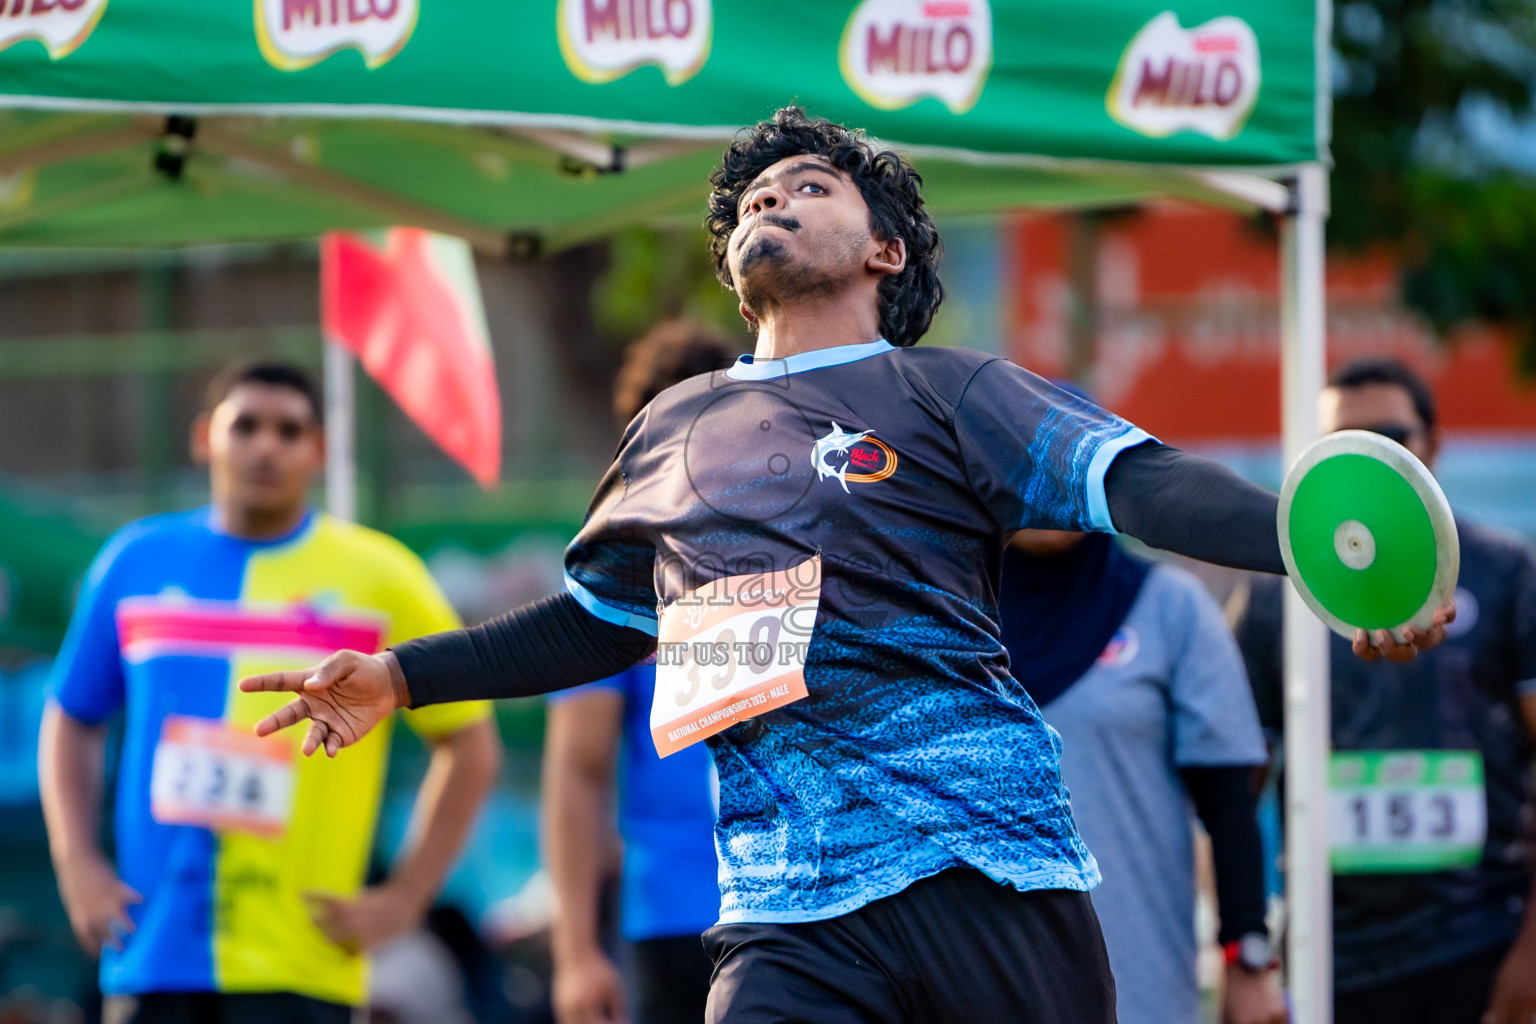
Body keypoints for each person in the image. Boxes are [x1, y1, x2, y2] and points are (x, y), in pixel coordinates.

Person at [241, 110, 1449, 1024]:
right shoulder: (671, 428)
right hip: (785, 908)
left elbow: (1138, 484)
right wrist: (405, 677)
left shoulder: (949, 389)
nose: (770, 202)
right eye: (751, 199)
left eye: (807, 189)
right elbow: (603, 621)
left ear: (882, 247)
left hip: (990, 874)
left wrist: (1312, 546)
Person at [39, 363, 502, 1024]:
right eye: (245, 425)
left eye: (289, 431)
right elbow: (71, 715)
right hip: (152, 949)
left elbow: (469, 743)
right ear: (205, 439)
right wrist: (75, 862)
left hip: (306, 960)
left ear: (319, 450)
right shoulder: (132, 562)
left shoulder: (384, 578)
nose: (265, 446)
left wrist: (405, 896)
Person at [1234, 357, 1535, 1024]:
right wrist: (1243, 955)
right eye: (1343, 445)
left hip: (1481, 941)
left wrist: (1531, 952)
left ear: (1434, 445)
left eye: (1392, 439)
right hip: (1328, 956)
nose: (1372, 461)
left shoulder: (1507, 571)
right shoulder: (1271, 597)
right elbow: (1230, 794)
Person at [1002, 465, 1285, 1024]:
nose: (1038, 485)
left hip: (1139, 981)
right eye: (1017, 466)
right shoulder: (950, 622)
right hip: (979, 979)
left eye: (1060, 468)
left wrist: (1247, 959)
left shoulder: (1169, 609)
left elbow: (1230, 806)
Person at [543, 323, 735, 1024]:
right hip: (673, 917)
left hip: (799, 907)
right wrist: (574, 951)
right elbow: (576, 771)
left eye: (712, 421)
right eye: (667, 426)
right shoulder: (620, 574)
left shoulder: (796, 549)